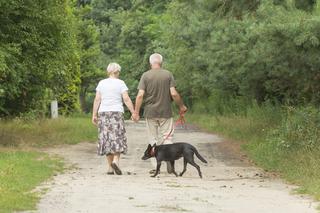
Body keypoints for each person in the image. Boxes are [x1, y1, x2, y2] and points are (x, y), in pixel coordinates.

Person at [132, 53, 187, 174]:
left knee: (153, 138)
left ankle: (155, 165)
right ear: (161, 62)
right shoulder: (168, 74)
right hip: (166, 112)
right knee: (167, 137)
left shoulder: (145, 76)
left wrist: (136, 112)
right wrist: (181, 106)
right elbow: (173, 93)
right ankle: (170, 161)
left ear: (150, 63)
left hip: (150, 113)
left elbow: (140, 95)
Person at [92, 62, 135, 175]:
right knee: (118, 137)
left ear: (108, 71)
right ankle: (115, 161)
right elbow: (126, 99)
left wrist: (94, 114)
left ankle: (110, 168)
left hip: (103, 113)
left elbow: (97, 99)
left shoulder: (101, 83)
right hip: (116, 113)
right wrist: (133, 112)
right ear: (117, 72)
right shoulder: (121, 83)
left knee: (106, 139)